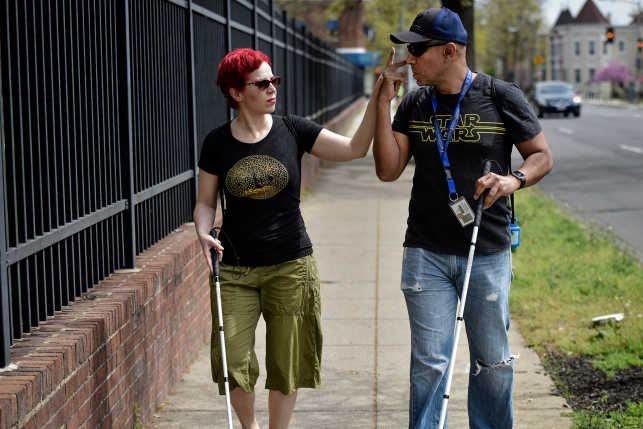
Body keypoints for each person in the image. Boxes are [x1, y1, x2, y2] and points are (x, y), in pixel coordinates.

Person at [193, 48, 401, 429]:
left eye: (275, 80)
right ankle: (249, 427)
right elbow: (206, 202)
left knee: (286, 360)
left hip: (291, 265)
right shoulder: (217, 142)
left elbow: (356, 149)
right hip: (235, 268)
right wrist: (203, 232)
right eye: (261, 83)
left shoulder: (294, 130)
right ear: (237, 93)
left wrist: (378, 94)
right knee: (232, 359)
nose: (272, 88)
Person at [373, 8, 553, 429]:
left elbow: (542, 155)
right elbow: (387, 169)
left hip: (486, 252)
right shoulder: (415, 102)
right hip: (426, 253)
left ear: (449, 50)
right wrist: (384, 100)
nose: (410, 58)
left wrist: (513, 180)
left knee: (492, 364)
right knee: (430, 366)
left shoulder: (500, 95)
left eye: (417, 49)